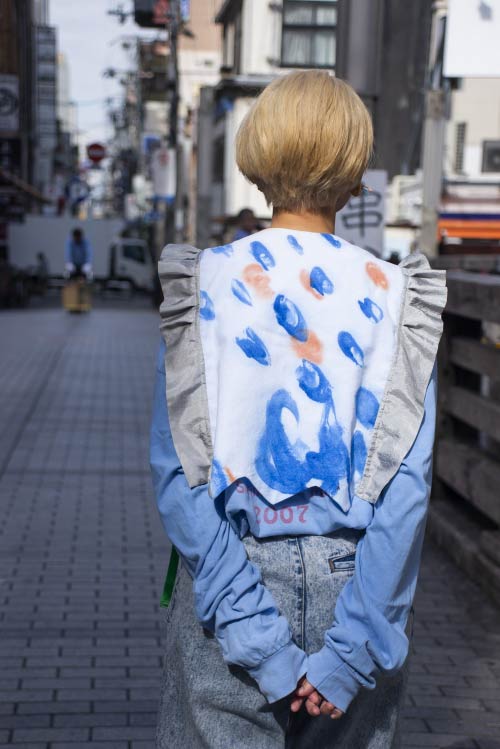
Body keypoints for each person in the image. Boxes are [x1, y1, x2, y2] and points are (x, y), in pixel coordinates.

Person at [150, 70, 447, 748]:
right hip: (356, 579)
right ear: (355, 167)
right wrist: (353, 647)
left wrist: (254, 632)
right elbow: (406, 488)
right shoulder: (399, 299)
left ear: (257, 154)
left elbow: (180, 475)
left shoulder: (201, 286)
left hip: (233, 572)